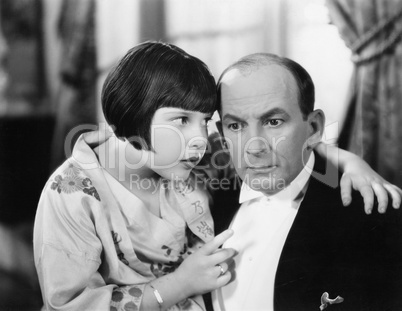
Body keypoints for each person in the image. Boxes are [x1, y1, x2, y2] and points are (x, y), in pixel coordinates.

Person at [34, 41, 400, 311]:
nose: (200, 139)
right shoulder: (72, 193)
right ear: (133, 116)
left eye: (206, 121)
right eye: (181, 120)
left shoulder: (187, 155)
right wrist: (176, 286)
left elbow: (284, 147)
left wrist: (349, 162)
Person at [211, 53, 402, 311]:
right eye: (236, 126)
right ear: (221, 134)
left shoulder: (374, 216)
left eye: (273, 122)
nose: (254, 147)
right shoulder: (204, 202)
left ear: (313, 128)